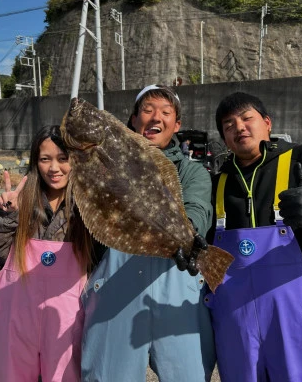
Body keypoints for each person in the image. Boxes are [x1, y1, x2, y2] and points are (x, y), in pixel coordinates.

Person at [81, 85, 216, 382]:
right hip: (116, 281)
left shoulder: (192, 172)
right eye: (147, 110)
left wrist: (188, 234)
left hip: (176, 278)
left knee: (188, 375)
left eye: (166, 112)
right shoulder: (106, 165)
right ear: (132, 119)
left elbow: (198, 210)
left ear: (176, 125)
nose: (156, 116)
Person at [205, 92, 302, 381]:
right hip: (235, 320)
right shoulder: (216, 184)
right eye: (228, 125)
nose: (238, 127)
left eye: (246, 118)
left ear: (267, 123)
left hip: (297, 313)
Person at [0, 125, 95, 382]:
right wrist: (7, 217)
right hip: (16, 318)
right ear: (34, 162)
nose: (54, 168)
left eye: (63, 159)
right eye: (45, 159)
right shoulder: (20, 202)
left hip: (67, 321)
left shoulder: (87, 209)